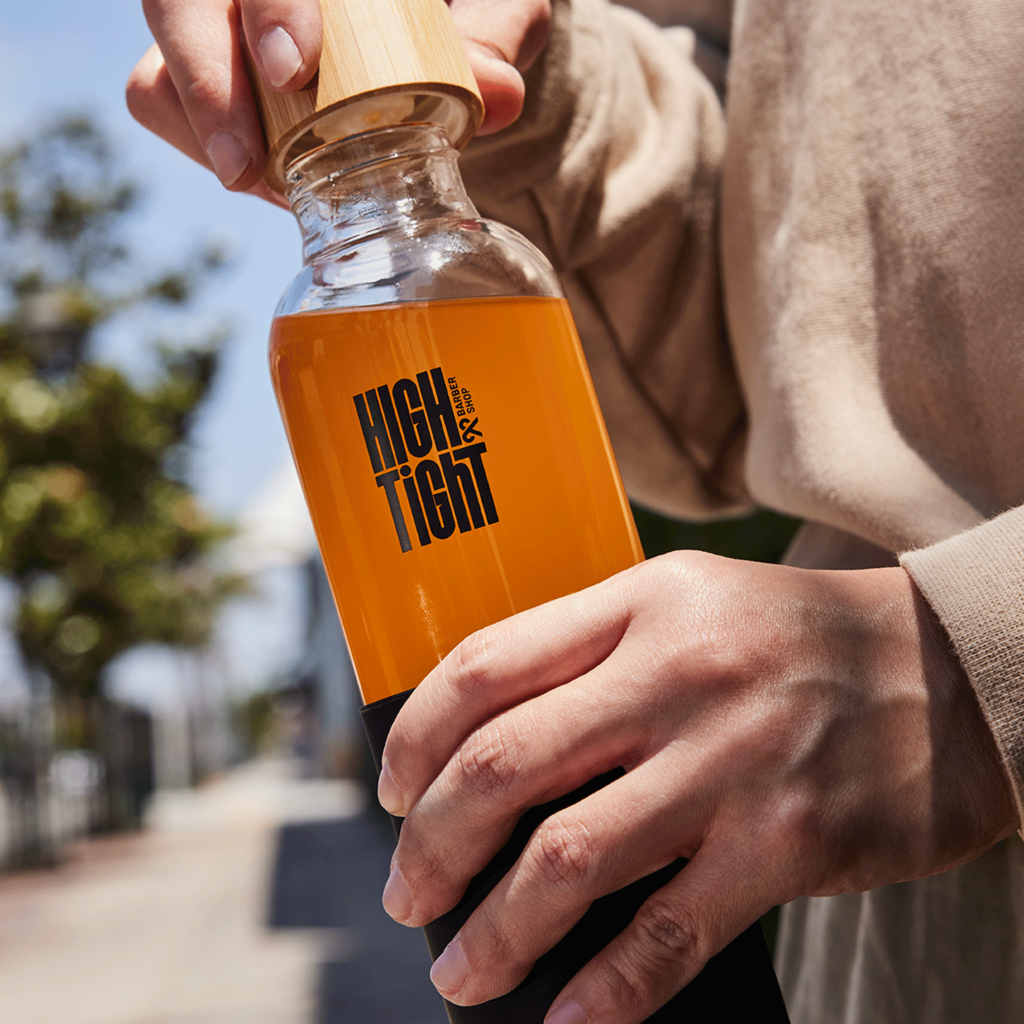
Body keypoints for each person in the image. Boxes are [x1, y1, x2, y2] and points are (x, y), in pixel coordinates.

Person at [127, 0, 1024, 1021]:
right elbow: (754, 355)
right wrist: (529, 91)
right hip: (880, 940)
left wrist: (976, 659)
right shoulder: (330, 327)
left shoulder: (439, 288)